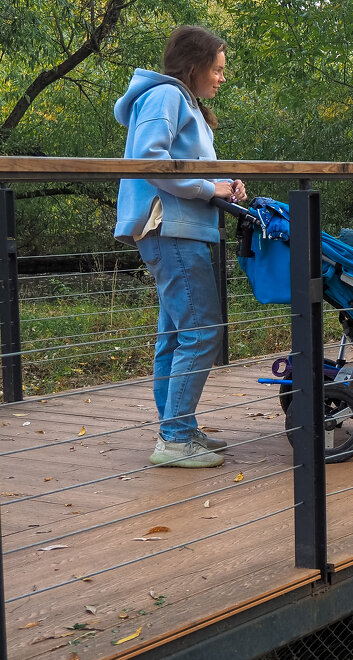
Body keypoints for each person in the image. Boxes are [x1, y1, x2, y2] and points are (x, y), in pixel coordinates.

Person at [114, 25, 246, 468]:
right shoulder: (165, 96)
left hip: (180, 226)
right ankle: (173, 439)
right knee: (202, 329)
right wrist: (209, 188)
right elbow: (151, 161)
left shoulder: (181, 101)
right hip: (170, 226)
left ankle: (179, 427)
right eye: (218, 69)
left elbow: (185, 168)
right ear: (196, 66)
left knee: (175, 335)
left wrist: (221, 186)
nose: (222, 78)